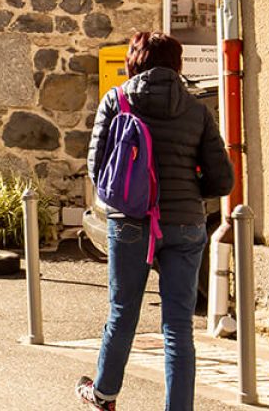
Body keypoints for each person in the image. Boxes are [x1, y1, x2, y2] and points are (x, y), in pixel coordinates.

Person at [78, 32, 234, 411]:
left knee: (123, 312)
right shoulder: (197, 110)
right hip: (185, 225)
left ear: (135, 62)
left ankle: (104, 396)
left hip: (131, 222)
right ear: (177, 65)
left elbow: (98, 170)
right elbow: (223, 180)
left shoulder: (117, 100)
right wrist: (187, 185)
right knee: (179, 328)